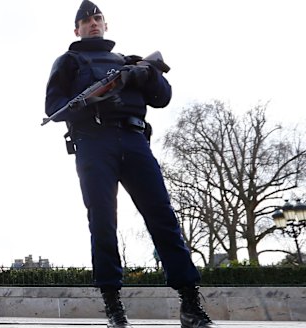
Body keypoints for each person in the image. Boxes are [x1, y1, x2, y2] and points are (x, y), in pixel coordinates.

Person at [44, 2, 216, 327]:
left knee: (163, 219)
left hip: (135, 141)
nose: (92, 24)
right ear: (76, 29)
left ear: (105, 25)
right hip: (94, 143)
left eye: (97, 19)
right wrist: (93, 99)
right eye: (85, 20)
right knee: (103, 224)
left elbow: (162, 97)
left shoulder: (128, 61)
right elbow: (54, 108)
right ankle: (113, 306)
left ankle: (190, 304)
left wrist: (146, 74)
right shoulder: (68, 62)